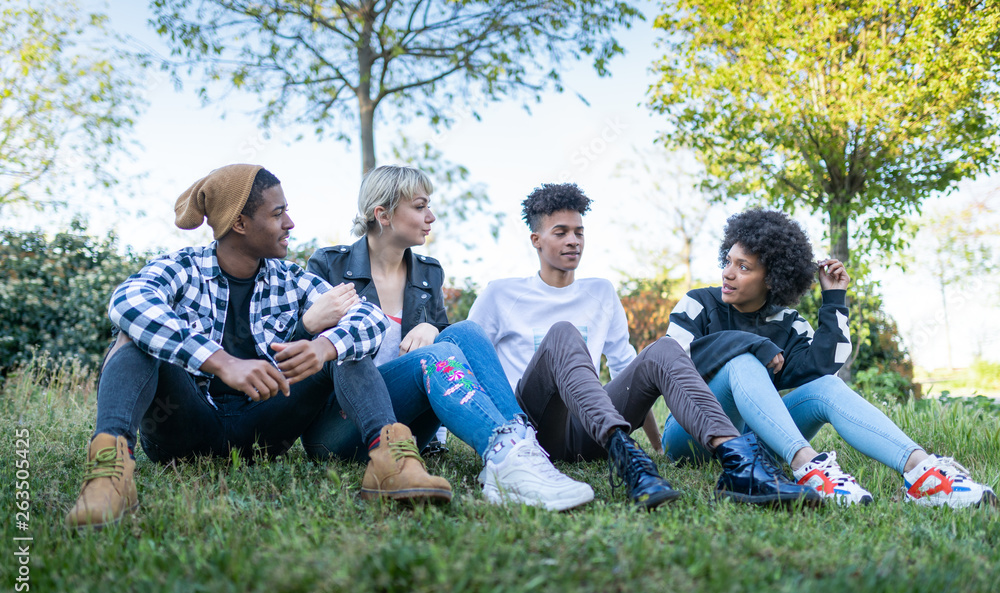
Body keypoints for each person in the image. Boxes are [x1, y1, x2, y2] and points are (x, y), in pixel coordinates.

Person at [65, 164, 399, 529]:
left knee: (345, 345)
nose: (290, 223)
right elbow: (128, 301)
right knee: (135, 335)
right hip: (183, 428)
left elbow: (371, 319)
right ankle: (108, 475)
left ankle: (393, 463)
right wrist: (219, 360)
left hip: (264, 430)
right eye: (277, 213)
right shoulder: (184, 268)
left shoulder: (292, 279)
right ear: (239, 223)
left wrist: (324, 347)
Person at [467, 183, 820, 508]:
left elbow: (626, 368)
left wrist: (657, 446)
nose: (573, 240)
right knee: (562, 333)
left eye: (579, 232)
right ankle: (626, 458)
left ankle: (739, 463)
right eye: (560, 232)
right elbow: (467, 362)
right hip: (535, 427)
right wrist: (446, 438)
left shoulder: (601, 291)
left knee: (664, 348)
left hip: (589, 433)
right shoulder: (501, 293)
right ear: (536, 239)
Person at [303, 165, 594, 511]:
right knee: (434, 355)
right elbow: (316, 353)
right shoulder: (330, 265)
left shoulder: (428, 272)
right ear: (382, 214)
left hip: (408, 426)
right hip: (340, 426)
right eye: (420, 206)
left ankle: (520, 445)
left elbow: (445, 344)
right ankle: (505, 454)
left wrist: (434, 328)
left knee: (465, 330)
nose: (431, 216)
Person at [662, 208, 997, 508]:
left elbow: (825, 364)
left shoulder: (789, 324)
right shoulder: (698, 303)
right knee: (742, 361)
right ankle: (808, 469)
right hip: (690, 435)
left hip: (754, 440)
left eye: (743, 267)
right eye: (729, 261)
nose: (728, 273)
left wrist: (834, 297)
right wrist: (749, 344)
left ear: (772, 278)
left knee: (827, 386)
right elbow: (671, 362)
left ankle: (922, 474)